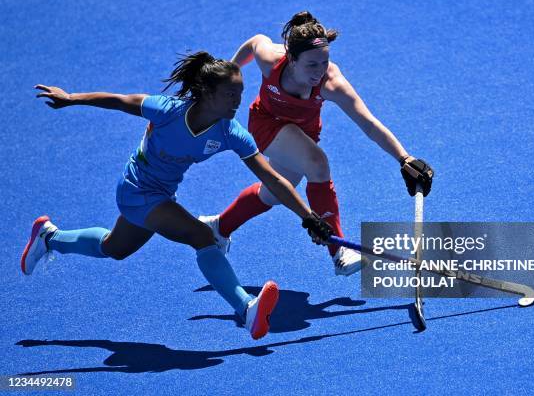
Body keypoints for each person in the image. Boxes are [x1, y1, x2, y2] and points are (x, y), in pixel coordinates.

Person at [21, 51, 333, 340]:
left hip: (161, 195)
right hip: (137, 190)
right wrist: (71, 98)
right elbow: (119, 100)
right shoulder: (169, 111)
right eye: (230, 94)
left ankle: (50, 237)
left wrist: (309, 217)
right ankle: (246, 308)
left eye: (239, 94)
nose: (237, 101)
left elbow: (273, 179)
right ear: (207, 94)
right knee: (202, 236)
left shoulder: (230, 132)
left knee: (114, 248)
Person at [199, 11, 434, 276]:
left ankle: (219, 226)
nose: (319, 71)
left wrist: (404, 158)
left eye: (324, 62)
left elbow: (368, 123)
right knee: (317, 163)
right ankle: (338, 250)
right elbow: (256, 41)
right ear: (291, 59)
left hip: (304, 133)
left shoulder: (331, 83)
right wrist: (230, 72)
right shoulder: (270, 59)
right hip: (266, 122)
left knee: (275, 193)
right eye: (312, 65)